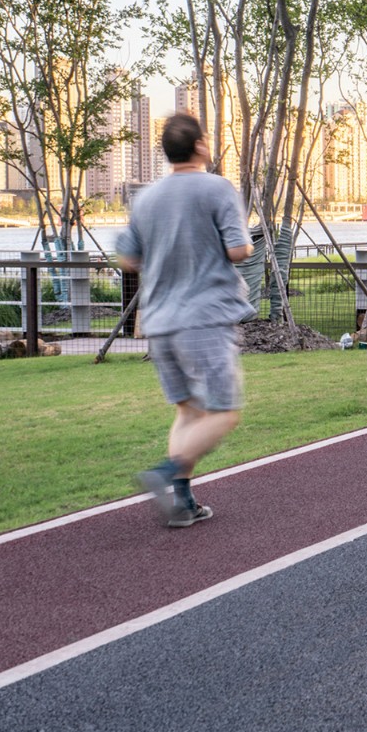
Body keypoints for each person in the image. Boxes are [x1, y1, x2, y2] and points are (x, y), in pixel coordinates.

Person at [119, 113, 254, 529]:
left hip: (158, 322)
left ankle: (182, 503)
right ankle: (164, 473)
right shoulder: (216, 188)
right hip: (204, 318)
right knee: (224, 412)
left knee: (188, 411)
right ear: (199, 146)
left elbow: (128, 260)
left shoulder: (146, 198)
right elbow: (239, 250)